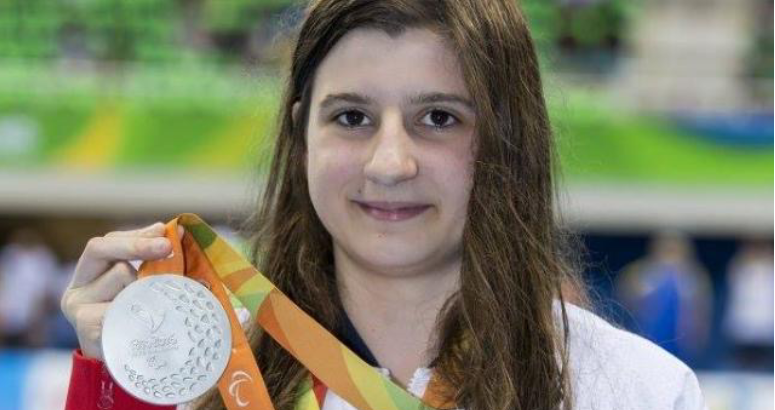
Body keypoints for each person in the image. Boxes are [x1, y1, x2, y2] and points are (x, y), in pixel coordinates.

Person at [60, 1, 707, 409]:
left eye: (438, 117)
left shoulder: (636, 391)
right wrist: (116, 384)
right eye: (351, 117)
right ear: (301, 134)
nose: (390, 163)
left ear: (506, 138)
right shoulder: (204, 377)